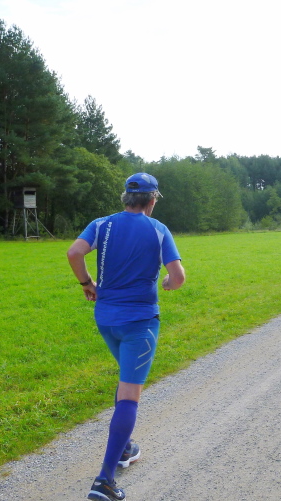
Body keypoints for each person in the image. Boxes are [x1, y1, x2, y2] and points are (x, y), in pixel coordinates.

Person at [67, 173, 186, 500]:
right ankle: (104, 480)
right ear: (152, 200)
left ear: (126, 198)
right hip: (140, 323)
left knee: (125, 381)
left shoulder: (101, 224)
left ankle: (124, 448)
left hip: (106, 319)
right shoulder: (158, 229)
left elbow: (74, 253)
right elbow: (177, 277)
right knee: (130, 393)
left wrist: (86, 284)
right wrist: (167, 283)